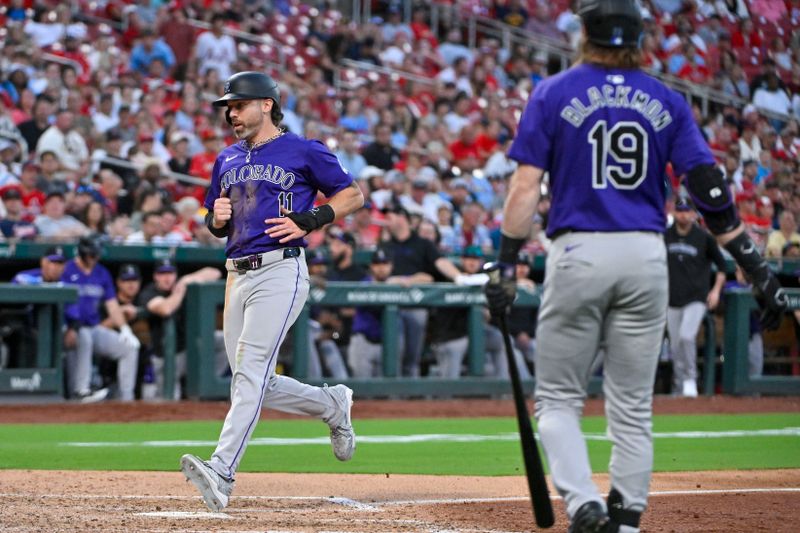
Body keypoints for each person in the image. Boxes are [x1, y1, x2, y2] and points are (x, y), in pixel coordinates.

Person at [483, 2, 787, 532]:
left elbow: (525, 186)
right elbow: (710, 191)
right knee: (632, 407)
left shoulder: (554, 93)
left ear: (584, 33)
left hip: (579, 251)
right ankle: (624, 524)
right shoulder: (666, 98)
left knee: (557, 399)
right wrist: (755, 266)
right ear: (639, 38)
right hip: (647, 254)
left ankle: (584, 506)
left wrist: (506, 263)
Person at [180, 71, 364, 512]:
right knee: (254, 377)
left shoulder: (303, 149)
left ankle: (222, 470)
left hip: (281, 270)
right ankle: (332, 405)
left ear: (266, 104)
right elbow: (214, 219)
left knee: (249, 373)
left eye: (238, 105)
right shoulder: (225, 158)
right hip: (236, 272)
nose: (231, 114)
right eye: (228, 107)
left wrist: (313, 219)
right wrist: (215, 218)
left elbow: (352, 195)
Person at [61, 235, 140, 402]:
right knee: (85, 336)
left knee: (129, 347)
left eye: (96, 254)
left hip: (93, 328)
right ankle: (82, 391)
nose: (95, 258)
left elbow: (112, 305)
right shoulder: (67, 269)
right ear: (83, 253)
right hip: (68, 329)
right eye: (92, 254)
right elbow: (64, 305)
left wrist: (125, 329)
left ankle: (127, 398)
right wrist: (71, 328)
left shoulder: (101, 272)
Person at [665, 198, 727, 397]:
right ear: (675, 212)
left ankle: (690, 379)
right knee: (675, 344)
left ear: (694, 214)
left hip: (696, 297)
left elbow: (723, 267)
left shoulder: (704, 238)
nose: (683, 215)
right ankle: (679, 383)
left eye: (687, 211)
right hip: (671, 298)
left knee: (686, 335)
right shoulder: (665, 236)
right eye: (680, 210)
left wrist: (716, 290)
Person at [140, 258, 223, 399]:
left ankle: (205, 382)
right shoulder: (149, 292)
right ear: (155, 276)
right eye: (162, 273)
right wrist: (180, 290)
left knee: (223, 340)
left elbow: (215, 272)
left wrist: (186, 279)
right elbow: (166, 309)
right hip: (166, 359)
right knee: (171, 401)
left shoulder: (182, 283)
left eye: (170, 273)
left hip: (188, 352)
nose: (167, 278)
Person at [347, 248, 395, 378]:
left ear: (391, 266)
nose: (381, 268)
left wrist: (405, 280)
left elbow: (426, 278)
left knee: (387, 393)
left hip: (387, 344)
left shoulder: (395, 284)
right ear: (371, 266)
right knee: (362, 392)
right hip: (363, 342)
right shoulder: (364, 285)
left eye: (385, 264)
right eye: (377, 264)